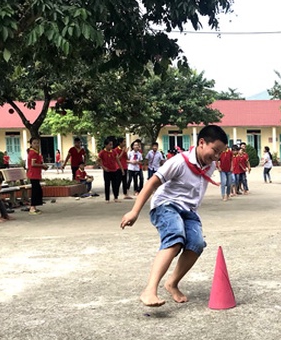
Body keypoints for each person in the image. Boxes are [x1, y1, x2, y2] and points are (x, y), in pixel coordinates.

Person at [120, 125, 228, 307]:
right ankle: (149, 290)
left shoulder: (210, 165)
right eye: (215, 151)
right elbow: (151, 183)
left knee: (196, 244)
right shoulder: (179, 161)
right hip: (166, 205)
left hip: (189, 211)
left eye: (220, 154)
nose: (216, 157)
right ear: (201, 143)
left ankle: (172, 283)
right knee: (176, 237)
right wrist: (134, 211)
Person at [27, 138, 48, 215]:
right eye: (34, 143)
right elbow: (33, 164)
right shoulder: (33, 153)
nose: (36, 144)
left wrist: (43, 167)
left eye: (37, 143)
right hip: (33, 174)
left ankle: (34, 207)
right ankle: (32, 207)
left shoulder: (36, 152)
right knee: (35, 191)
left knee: (37, 190)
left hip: (36, 174)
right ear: (31, 144)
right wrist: (42, 165)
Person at [98, 138, 122, 203]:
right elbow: (98, 161)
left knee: (115, 184)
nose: (111, 146)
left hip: (114, 170)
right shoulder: (102, 152)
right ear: (106, 145)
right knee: (107, 184)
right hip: (107, 171)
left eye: (112, 145)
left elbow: (117, 160)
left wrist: (121, 169)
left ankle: (116, 197)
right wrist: (103, 167)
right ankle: (107, 199)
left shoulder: (114, 151)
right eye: (110, 145)